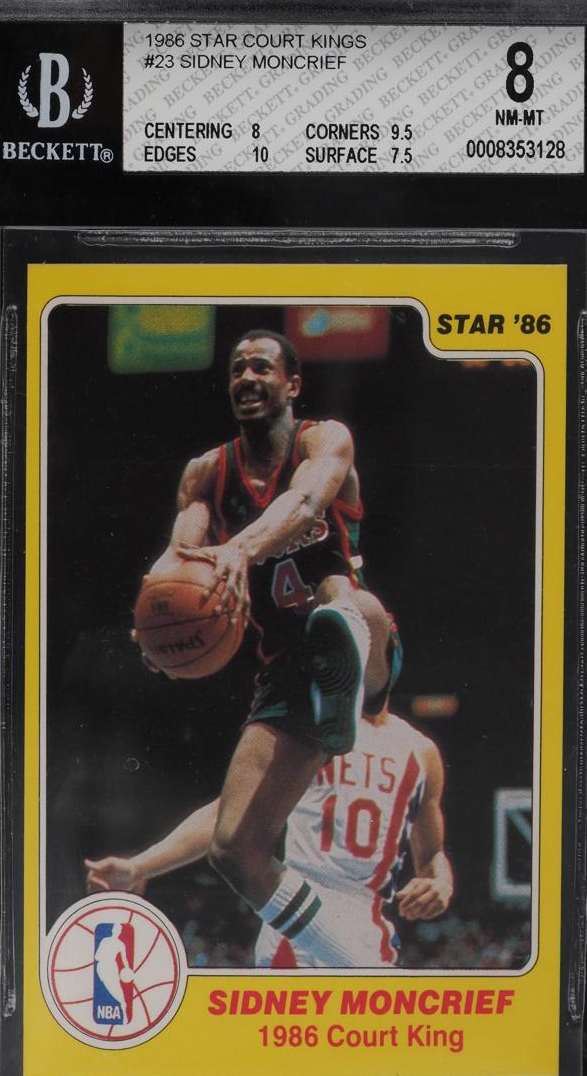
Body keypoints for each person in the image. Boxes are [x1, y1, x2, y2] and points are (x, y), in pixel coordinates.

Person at [134, 329, 401, 967]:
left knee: (342, 606)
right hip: (284, 671)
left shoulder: (324, 440)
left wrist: (240, 548)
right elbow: (177, 559)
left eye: (261, 367)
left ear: (292, 384)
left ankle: (346, 689)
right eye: (236, 370)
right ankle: (358, 967)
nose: (246, 378)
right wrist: (152, 622)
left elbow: (304, 500)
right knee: (235, 850)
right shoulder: (206, 472)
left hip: (364, 639)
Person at [85, 708, 454, 968]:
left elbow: (432, 856)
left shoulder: (421, 751)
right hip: (299, 919)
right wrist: (140, 866)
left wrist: (441, 882)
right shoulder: (312, 732)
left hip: (370, 929)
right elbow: (227, 813)